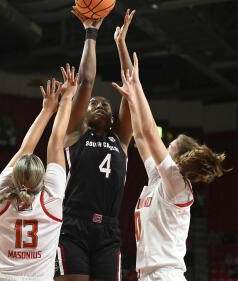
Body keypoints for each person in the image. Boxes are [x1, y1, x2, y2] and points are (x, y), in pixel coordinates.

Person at [112, 53, 227, 281]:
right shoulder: (158, 179)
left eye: (169, 146)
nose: (164, 147)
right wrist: (133, 93)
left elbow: (150, 133)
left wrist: (137, 88)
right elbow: (142, 138)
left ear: (177, 159)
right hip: (149, 275)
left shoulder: (176, 183)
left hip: (165, 276)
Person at [55, 9, 135, 281]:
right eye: (93, 103)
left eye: (105, 104)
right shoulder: (75, 133)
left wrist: (121, 44)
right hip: (73, 226)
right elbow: (86, 81)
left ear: (112, 117)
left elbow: (131, 88)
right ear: (84, 114)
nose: (99, 104)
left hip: (108, 232)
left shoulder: (120, 139)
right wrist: (91, 33)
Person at [0, 65, 77, 280]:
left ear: (14, 177)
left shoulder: (0, 198)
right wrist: (66, 100)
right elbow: (56, 144)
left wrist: (47, 109)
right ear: (42, 180)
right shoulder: (51, 200)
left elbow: (24, 150)